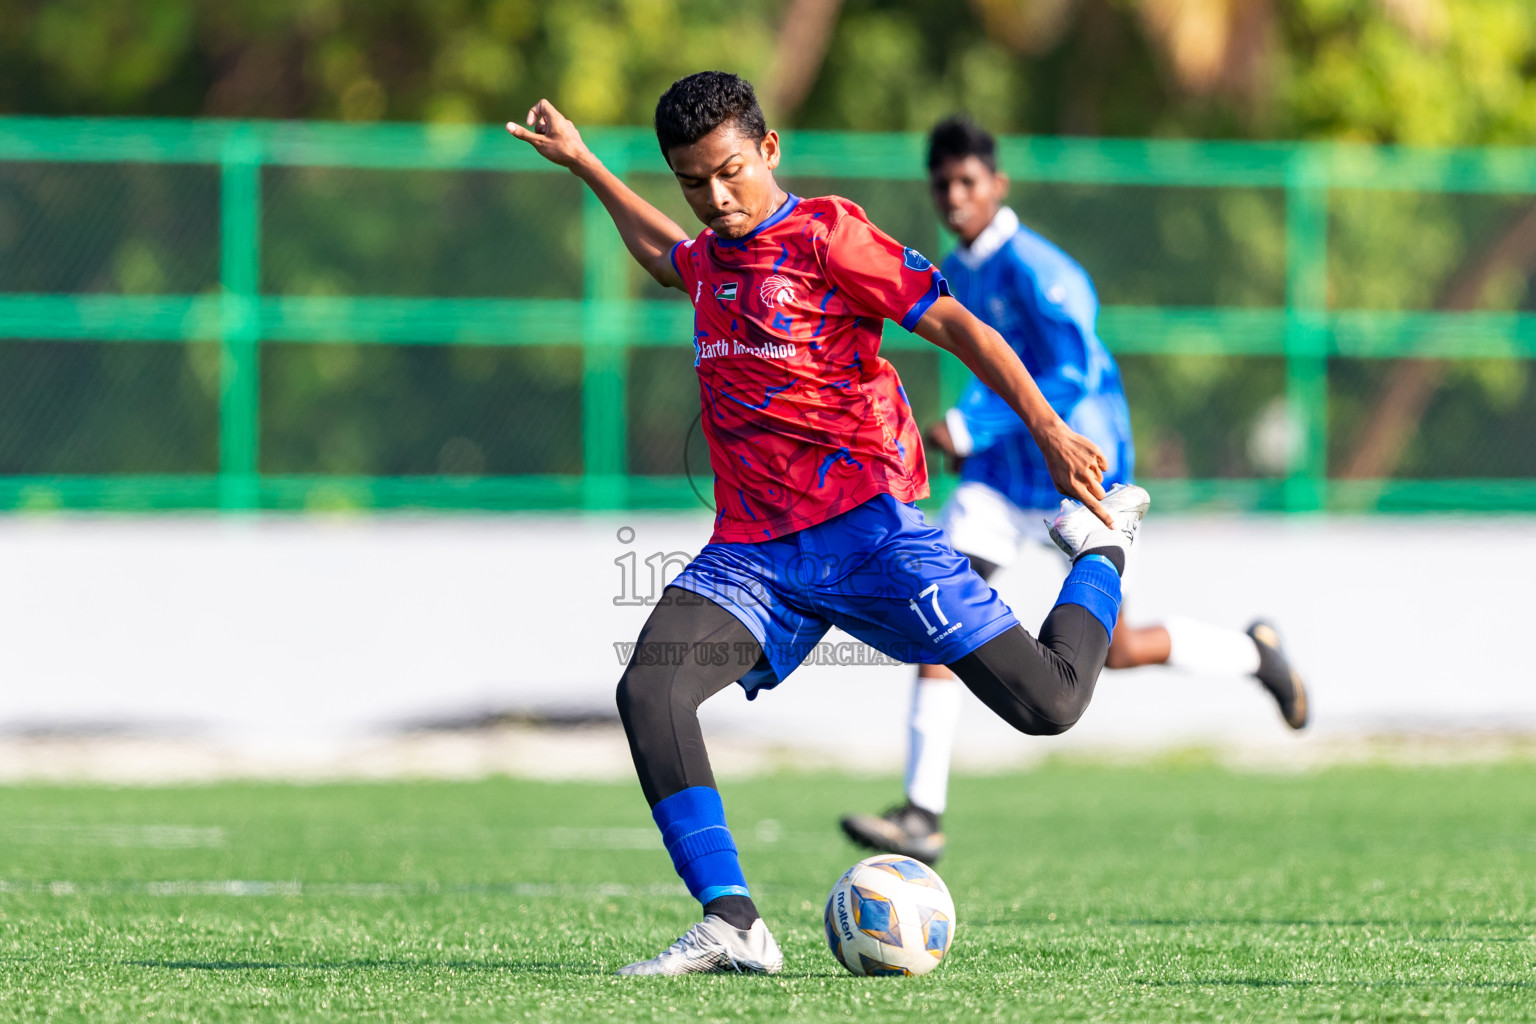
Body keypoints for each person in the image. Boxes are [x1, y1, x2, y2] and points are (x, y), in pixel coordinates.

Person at [508, 72, 1149, 977]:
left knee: (1050, 703)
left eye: (730, 172)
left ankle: (1103, 548)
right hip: (755, 552)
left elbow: (959, 327)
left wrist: (1046, 430)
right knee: (649, 692)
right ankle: (732, 922)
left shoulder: (826, 236)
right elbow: (667, 256)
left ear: (769, 150)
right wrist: (585, 166)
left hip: (870, 533)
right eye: (694, 182)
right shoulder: (712, 257)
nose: (717, 198)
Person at [838, 116, 1309, 867]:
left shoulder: (1037, 267)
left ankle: (1253, 656)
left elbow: (1073, 372)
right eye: (943, 185)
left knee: (1115, 651)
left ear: (998, 185)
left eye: (969, 182)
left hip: (1077, 477)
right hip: (999, 483)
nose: (956, 197)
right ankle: (922, 812)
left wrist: (971, 422)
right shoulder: (958, 266)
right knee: (938, 613)